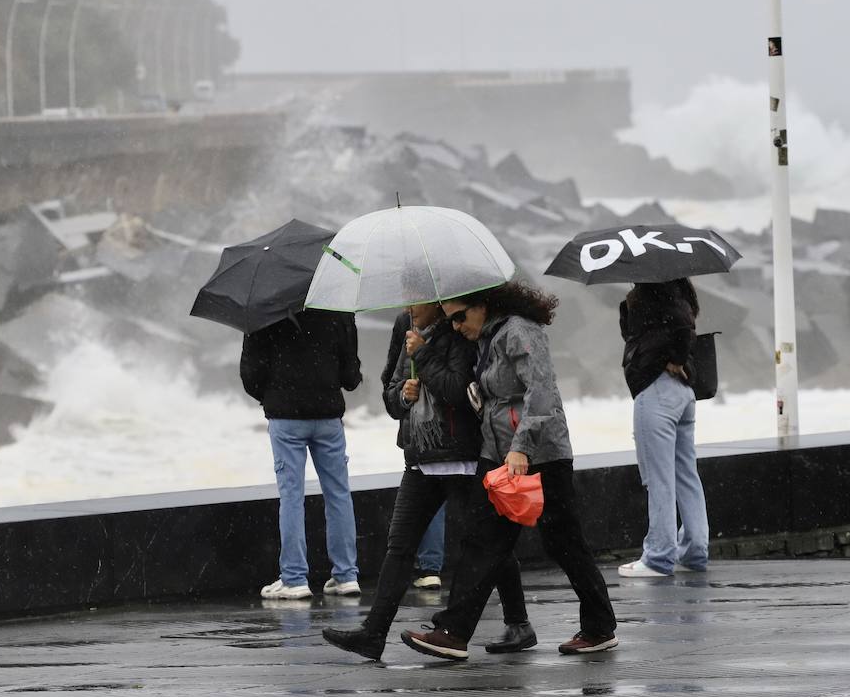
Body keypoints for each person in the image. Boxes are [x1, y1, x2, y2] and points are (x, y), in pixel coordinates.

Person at [401, 281, 618, 660]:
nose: (455, 326)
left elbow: (542, 392)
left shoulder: (519, 330)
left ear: (483, 304)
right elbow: (496, 398)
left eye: (460, 317)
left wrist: (521, 448)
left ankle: (599, 628)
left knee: (563, 542)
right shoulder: (488, 336)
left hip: (540, 456)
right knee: (481, 539)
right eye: (449, 319)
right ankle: (452, 632)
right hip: (499, 455)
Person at [322, 302, 534, 661]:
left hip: (463, 457)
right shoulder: (404, 324)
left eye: (415, 298)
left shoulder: (461, 325)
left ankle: (518, 621)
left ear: (436, 301)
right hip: (419, 457)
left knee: (487, 545)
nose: (408, 306)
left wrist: (425, 352)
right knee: (400, 545)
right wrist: (401, 397)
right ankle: (373, 634)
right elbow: (390, 391)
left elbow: (459, 391)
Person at [240, 308, 362, 600]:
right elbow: (350, 376)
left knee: (292, 497)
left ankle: (294, 578)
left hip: (286, 418)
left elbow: (250, 375)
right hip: (328, 416)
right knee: (339, 494)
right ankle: (346, 576)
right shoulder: (337, 310)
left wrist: (274, 393)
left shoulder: (264, 309)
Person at [616, 279, 709, 577]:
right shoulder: (681, 297)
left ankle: (658, 556)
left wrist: (675, 359)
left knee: (659, 478)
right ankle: (695, 550)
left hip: (656, 393)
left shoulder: (652, 299)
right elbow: (679, 328)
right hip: (684, 392)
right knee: (686, 473)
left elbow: (677, 331)